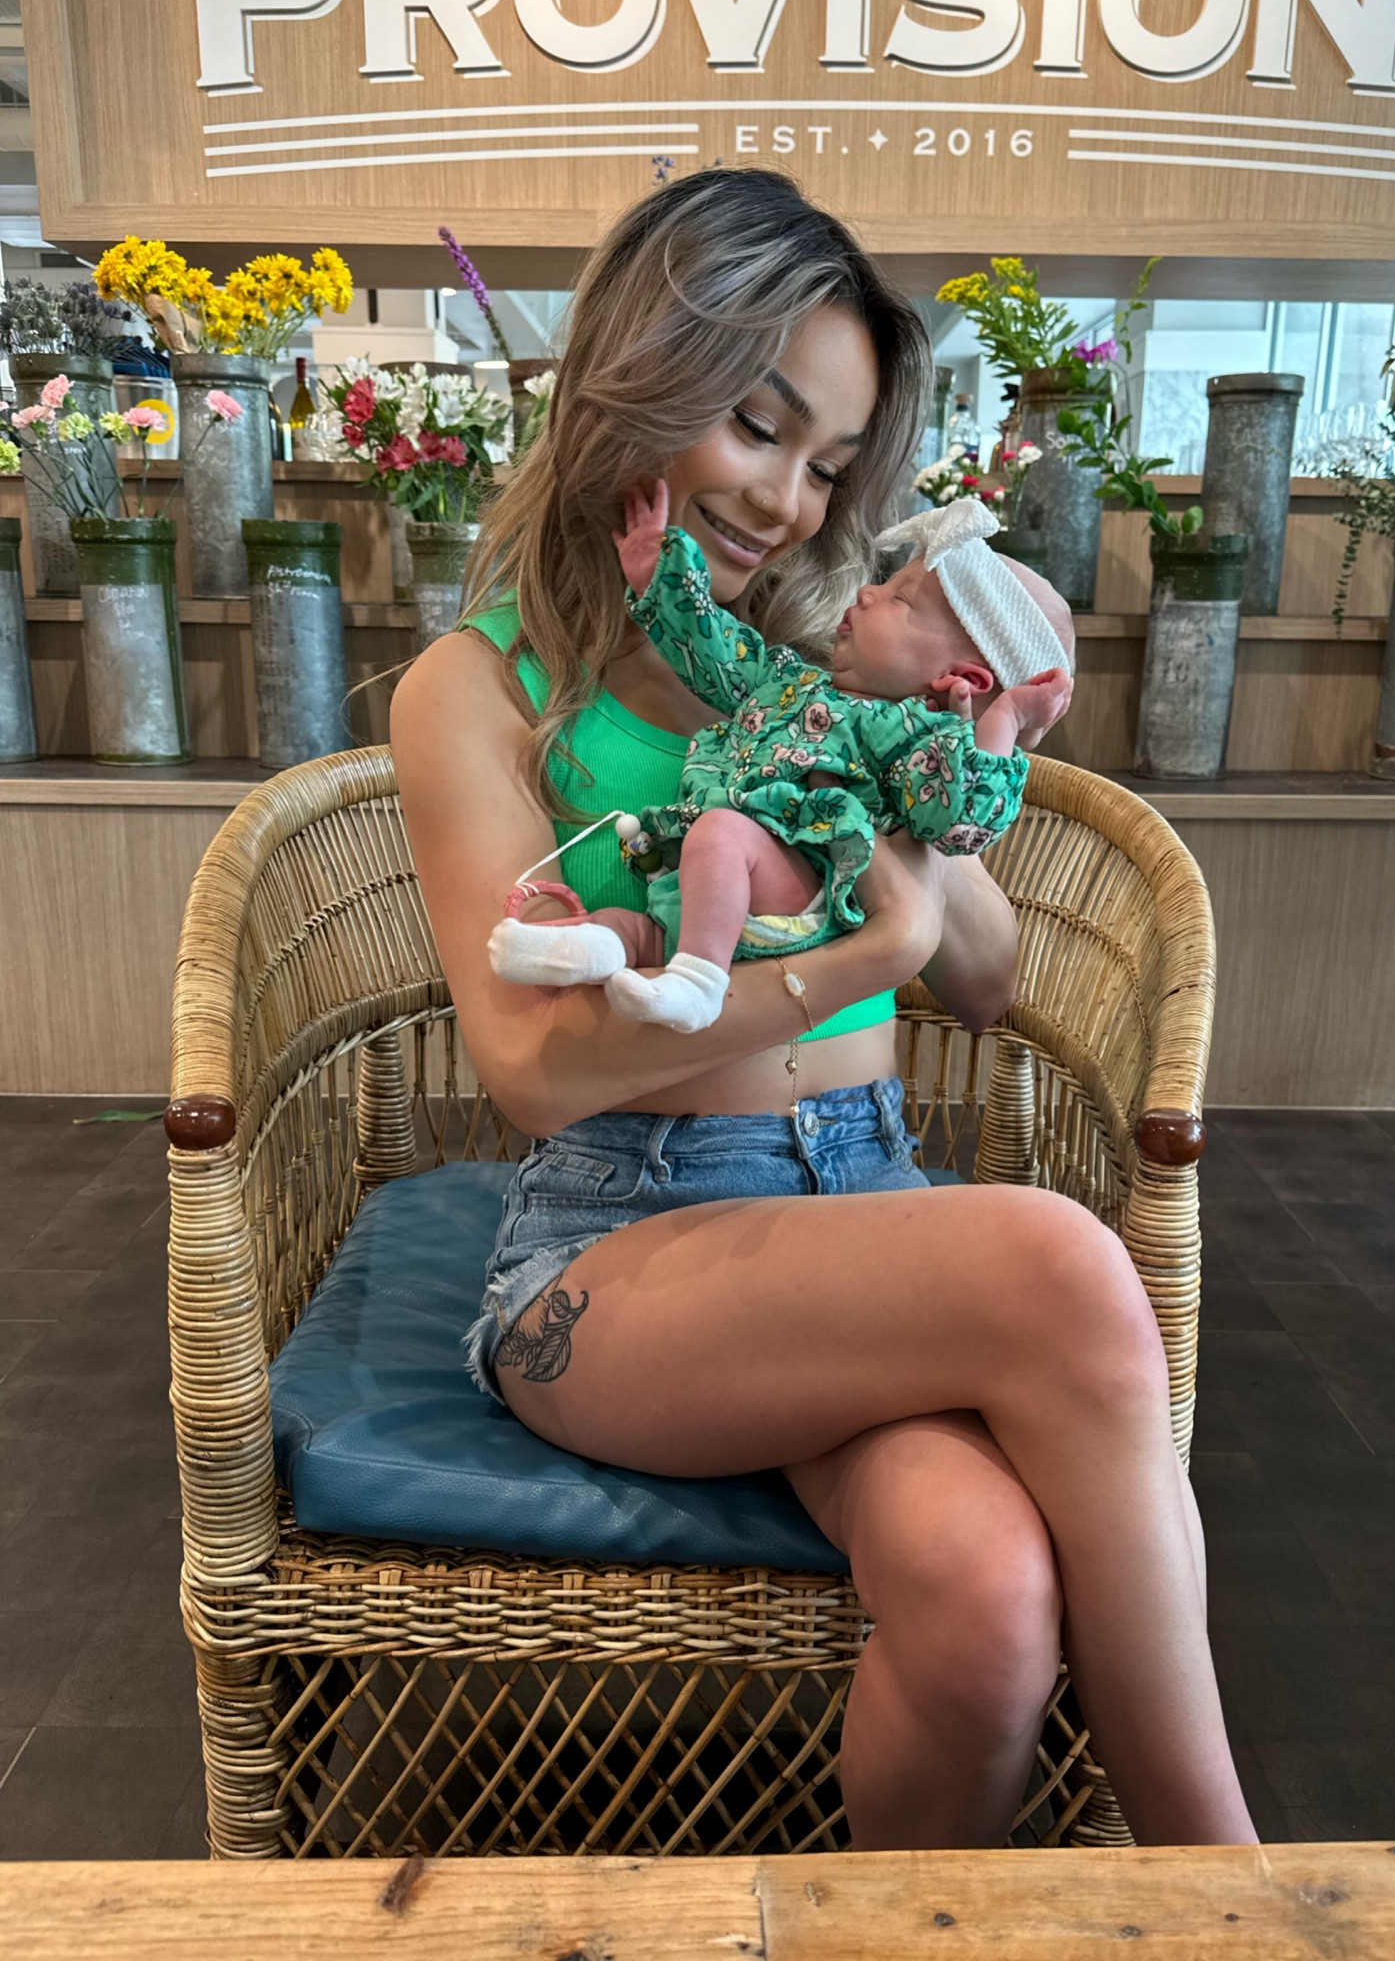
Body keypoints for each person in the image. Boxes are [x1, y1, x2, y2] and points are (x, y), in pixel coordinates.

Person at [391, 166, 1256, 1850]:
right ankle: (1229, 1885)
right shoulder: (483, 691)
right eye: (756, 425)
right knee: (1066, 1263)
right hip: (619, 1241)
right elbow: (529, 1073)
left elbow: (993, 977)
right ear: (640, 372)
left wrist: (960, 755)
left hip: (861, 1205)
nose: (787, 498)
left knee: (990, 1592)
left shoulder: (802, 669)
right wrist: (858, 954)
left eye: (832, 464)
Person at [487, 487, 1075, 1033]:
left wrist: (1004, 721)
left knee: (719, 835)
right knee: (635, 919)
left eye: (901, 600)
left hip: (796, 900)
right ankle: (593, 944)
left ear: (958, 678)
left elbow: (960, 819)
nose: (868, 592)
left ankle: (698, 981)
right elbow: (717, 651)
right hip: (711, 892)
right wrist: (660, 578)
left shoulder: (908, 739)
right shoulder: (792, 681)